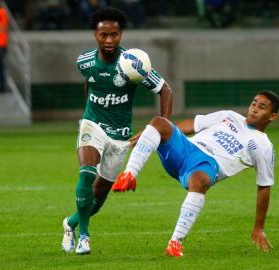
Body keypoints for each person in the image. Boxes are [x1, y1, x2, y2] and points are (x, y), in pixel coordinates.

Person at [60, 7, 173, 255]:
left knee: (98, 199)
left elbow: (165, 90)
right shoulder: (84, 61)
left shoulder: (132, 64)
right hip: (92, 124)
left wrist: (162, 126)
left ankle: (70, 224)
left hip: (120, 134)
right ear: (95, 35)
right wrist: (88, 114)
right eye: (104, 35)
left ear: (121, 35)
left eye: (114, 35)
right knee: (87, 173)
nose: (109, 40)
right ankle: (85, 238)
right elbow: (90, 84)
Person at [113, 91, 279, 257]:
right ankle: (129, 176)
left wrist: (259, 227)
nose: (254, 109)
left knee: (200, 180)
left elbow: (264, 185)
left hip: (205, 166)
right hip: (184, 149)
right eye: (254, 103)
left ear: (272, 116)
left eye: (262, 107)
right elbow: (191, 124)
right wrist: (153, 133)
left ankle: (175, 243)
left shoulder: (263, 145)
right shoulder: (229, 116)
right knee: (159, 122)